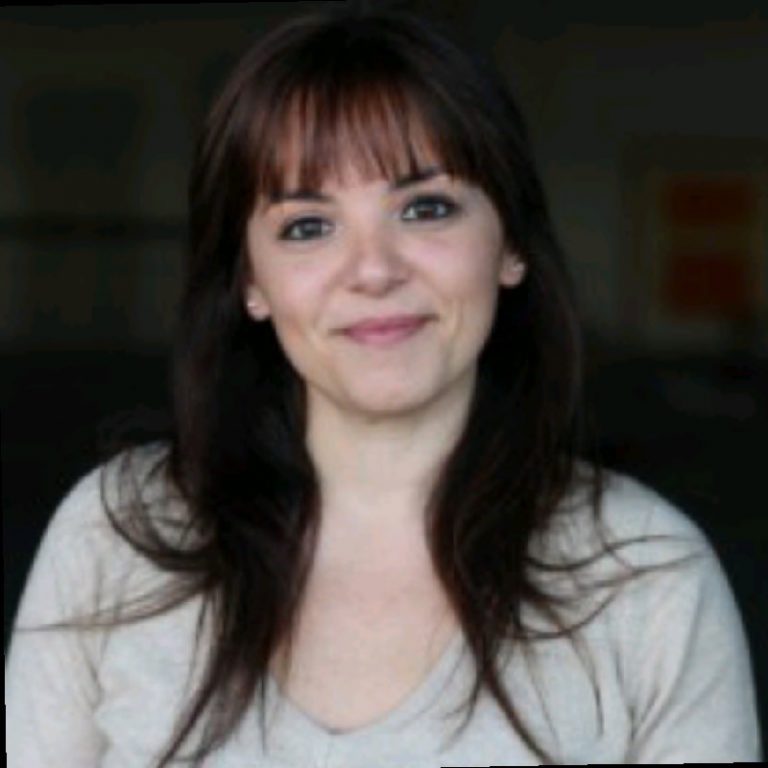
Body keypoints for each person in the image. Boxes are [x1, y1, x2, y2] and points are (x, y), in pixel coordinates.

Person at [5, 6, 761, 767]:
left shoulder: (647, 577)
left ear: (511, 244)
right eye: (307, 226)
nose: (373, 269)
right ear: (251, 282)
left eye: (426, 208)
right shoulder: (114, 541)